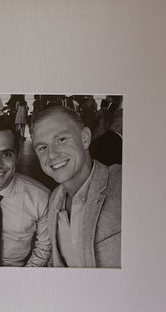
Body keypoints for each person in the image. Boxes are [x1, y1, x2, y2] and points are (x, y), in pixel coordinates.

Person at [31, 105, 121, 268]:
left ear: (85, 138)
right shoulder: (54, 200)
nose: (52, 154)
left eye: (61, 140)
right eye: (43, 147)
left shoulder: (123, 184)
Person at [0, 119, 51, 267]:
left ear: (18, 157)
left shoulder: (41, 197)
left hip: (21, 270)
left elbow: (43, 247)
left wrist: (23, 277)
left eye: (6, 154)